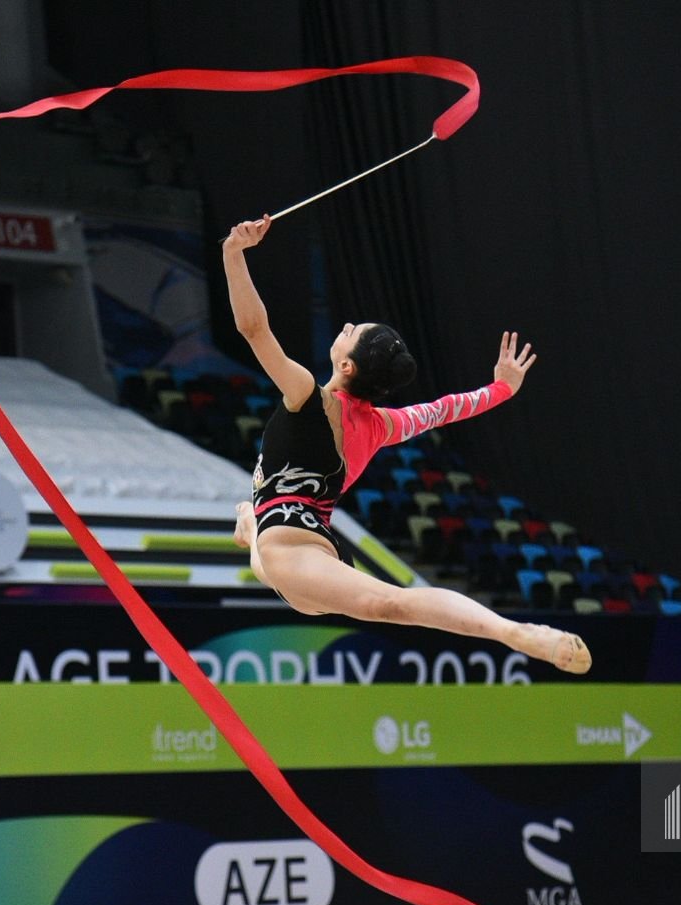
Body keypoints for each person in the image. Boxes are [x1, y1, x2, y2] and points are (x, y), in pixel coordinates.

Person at [223, 214, 590, 674]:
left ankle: (516, 632)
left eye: (353, 332)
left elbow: (254, 330)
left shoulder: (305, 395)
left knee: (390, 604)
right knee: (279, 564)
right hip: (311, 553)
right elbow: (448, 407)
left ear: (350, 367)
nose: (348, 324)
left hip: (297, 549)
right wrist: (502, 390)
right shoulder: (383, 425)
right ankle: (248, 522)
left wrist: (233, 254)